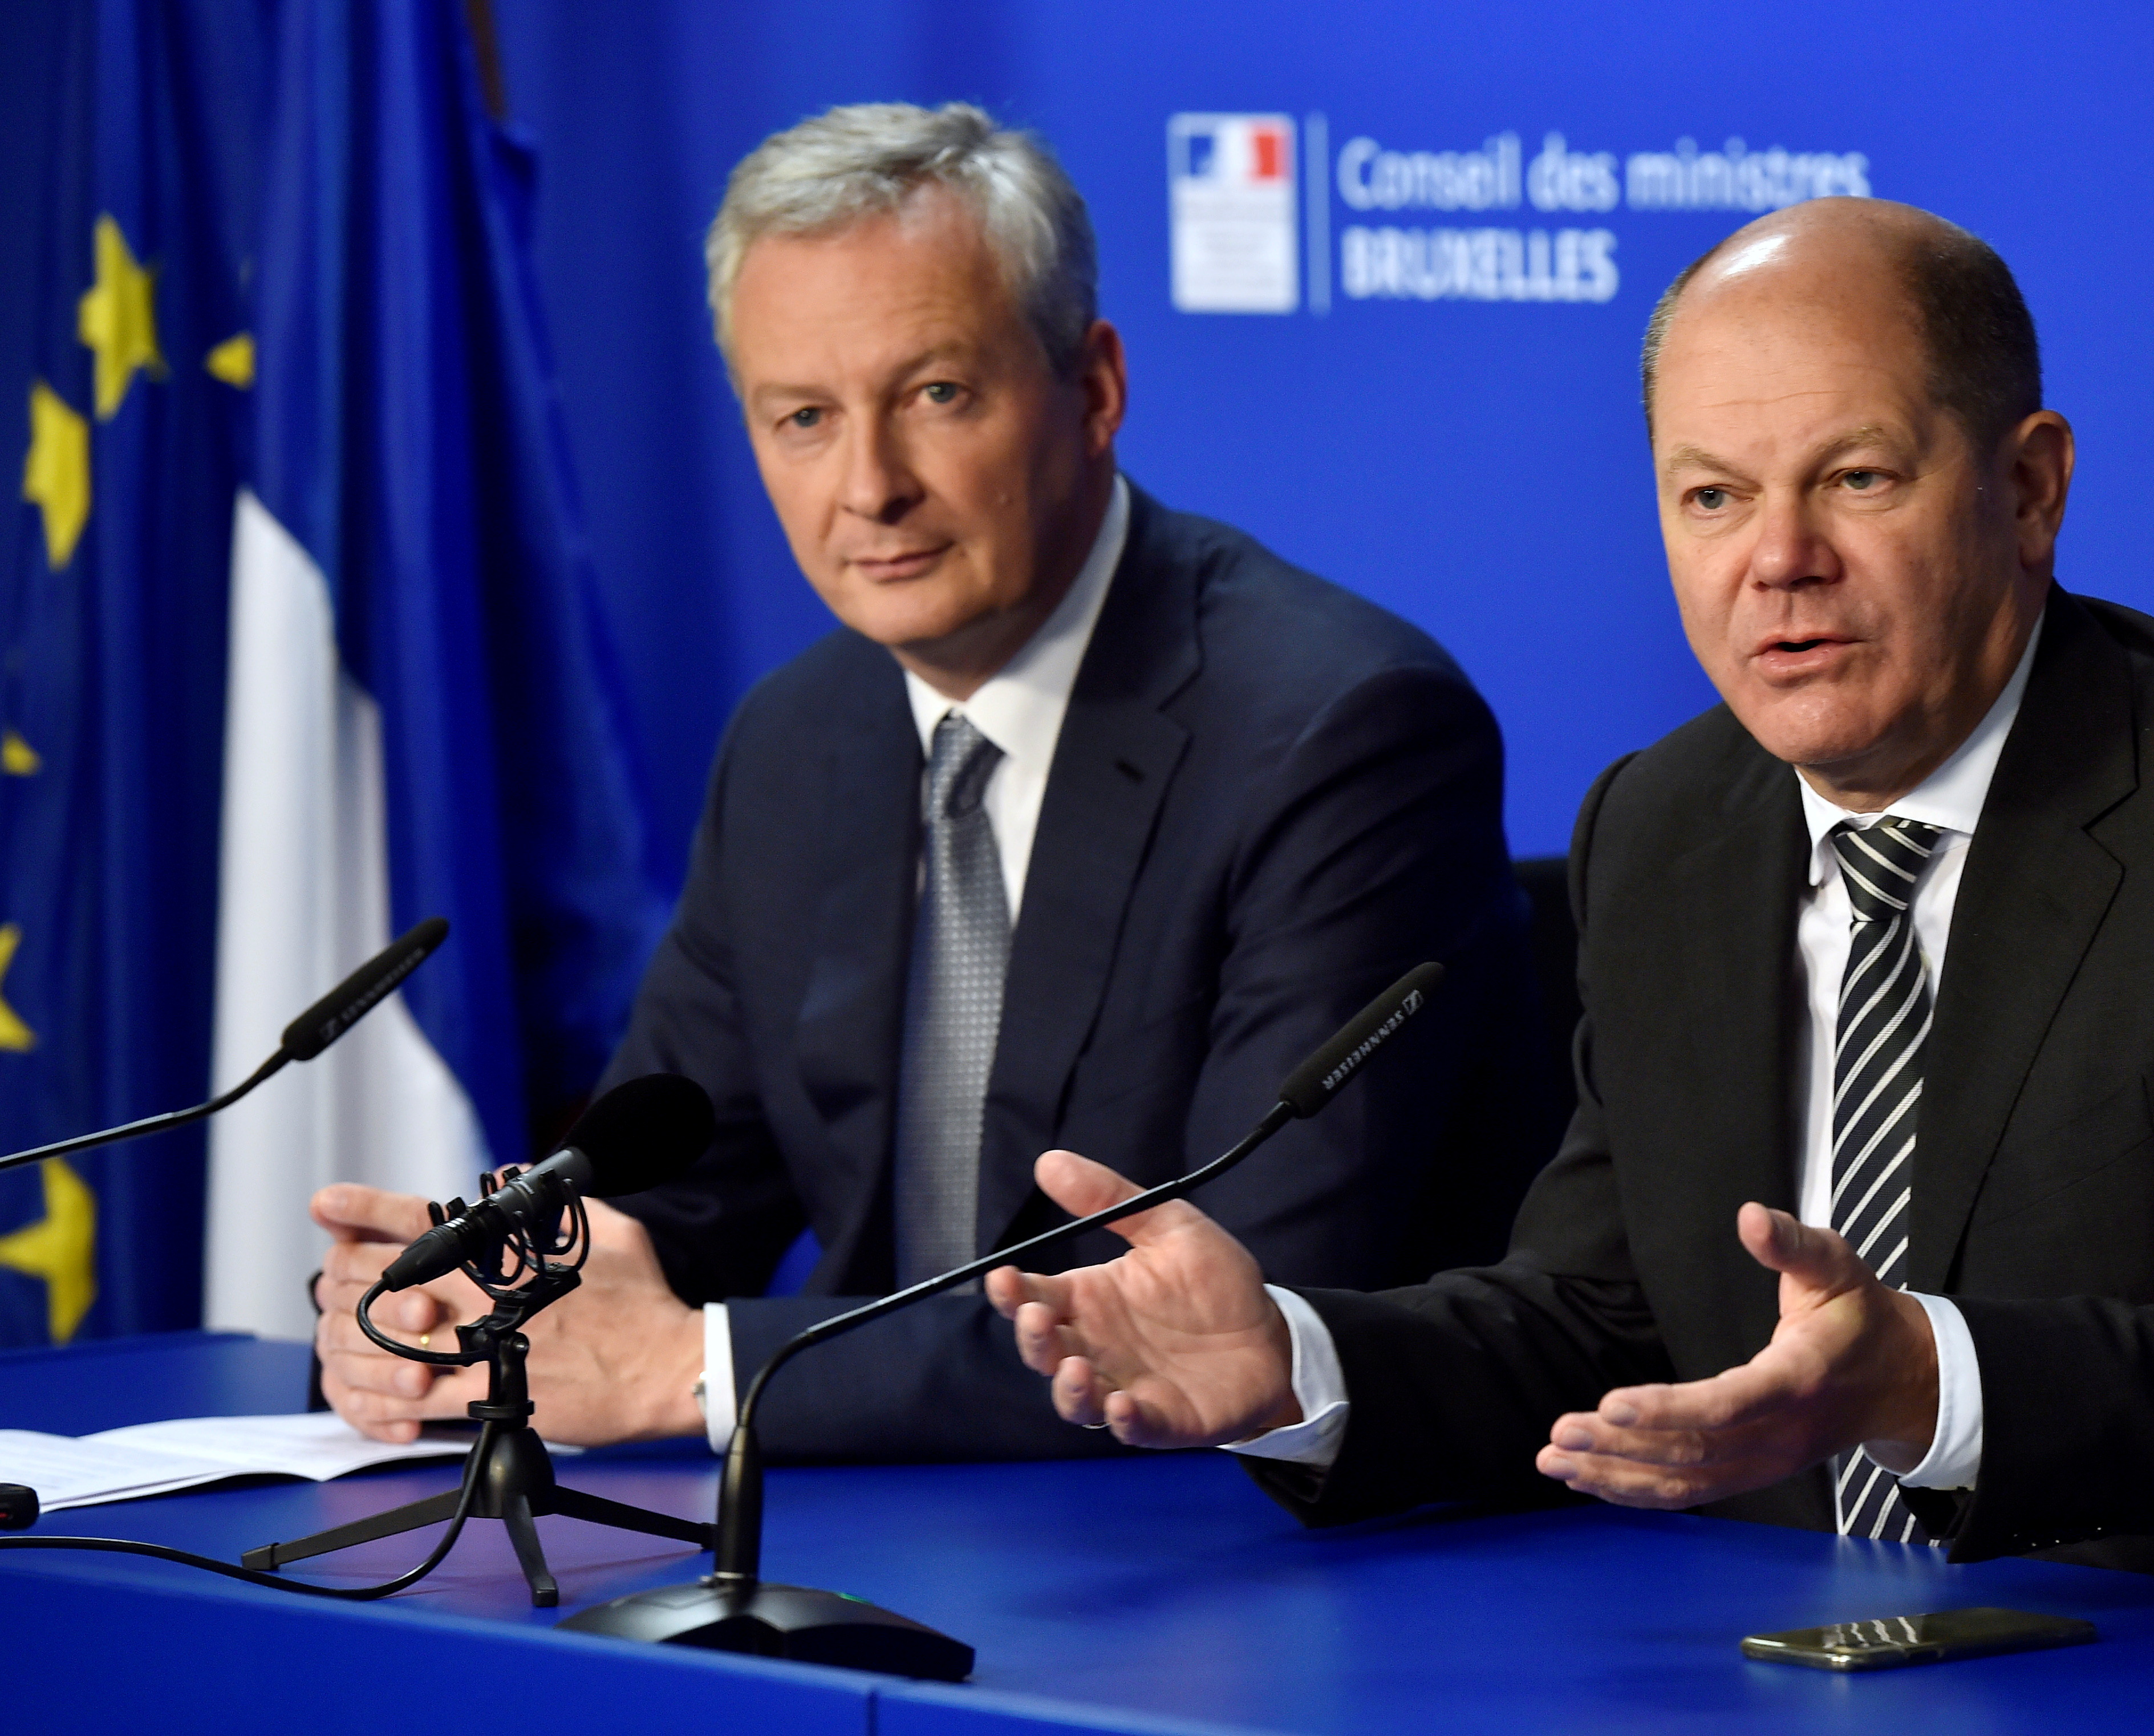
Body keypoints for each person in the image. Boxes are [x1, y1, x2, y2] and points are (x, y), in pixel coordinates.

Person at [984, 197, 2154, 1577]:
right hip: (1757, 1665)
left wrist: (1922, 1381)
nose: (1777, 559)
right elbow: (1604, 1314)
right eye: (1709, 496)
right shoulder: (1667, 822)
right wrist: (1295, 1363)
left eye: (1854, 476)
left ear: (2027, 487)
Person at [307, 103, 1558, 1459]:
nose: (868, 487)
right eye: (802, 417)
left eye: (935, 395)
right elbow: (669, 1193)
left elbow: (1227, 1307)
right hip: (904, 1520)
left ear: (1092, 387)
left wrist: (691, 1370)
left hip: (1256, 1560)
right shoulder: (796, 739)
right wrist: (475, 1302)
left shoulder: (1339, 730)